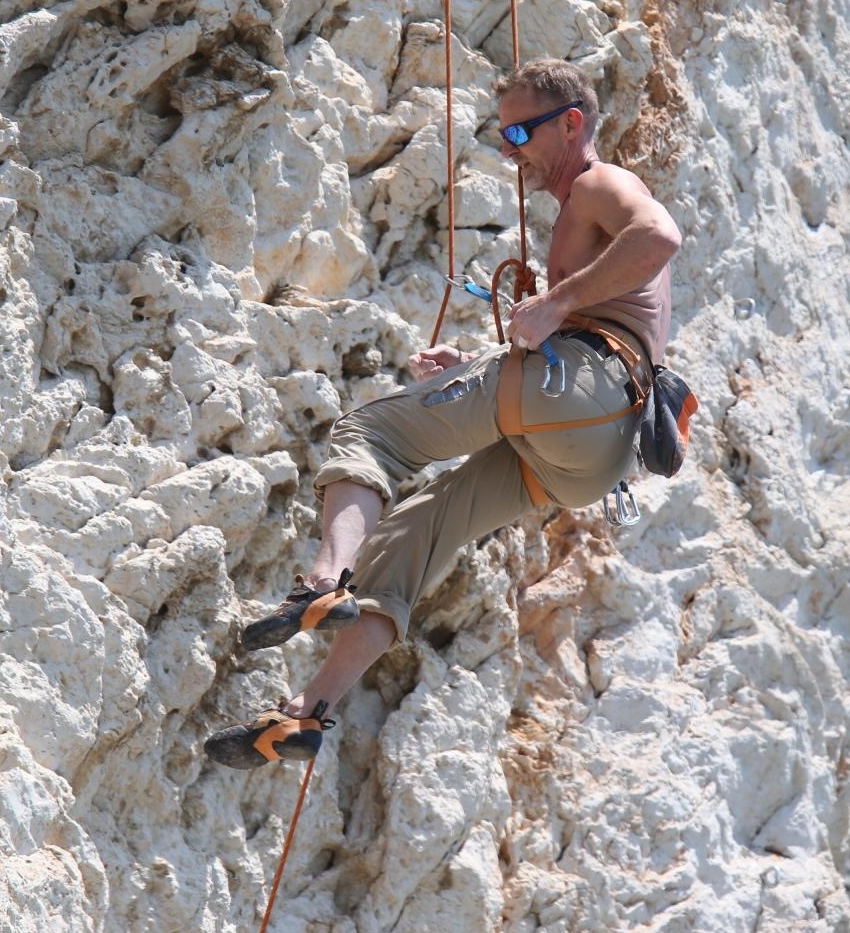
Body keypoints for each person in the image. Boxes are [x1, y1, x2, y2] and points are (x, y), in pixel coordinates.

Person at [206, 59, 680, 768]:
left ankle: (321, 583)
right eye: (502, 132)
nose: (508, 148)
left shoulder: (599, 183)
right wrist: (478, 372)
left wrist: (553, 303)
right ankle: (306, 715)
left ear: (573, 124)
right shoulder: (585, 219)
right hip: (595, 454)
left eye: (520, 131)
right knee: (415, 531)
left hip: (583, 388)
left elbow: (661, 237)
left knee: (372, 432)